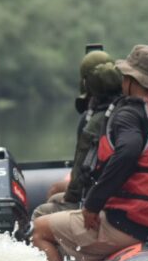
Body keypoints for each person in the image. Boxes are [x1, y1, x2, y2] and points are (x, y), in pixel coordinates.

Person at [32, 45, 148, 261]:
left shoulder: (129, 113)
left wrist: (93, 204)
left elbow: (127, 153)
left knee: (40, 229)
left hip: (127, 225)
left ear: (132, 81)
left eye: (125, 76)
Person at [31, 61, 123, 219]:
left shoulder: (95, 123)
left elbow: (81, 167)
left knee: (40, 213)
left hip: (97, 200)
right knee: (55, 198)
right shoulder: (128, 113)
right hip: (119, 196)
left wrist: (72, 197)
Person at [44, 49, 116, 200]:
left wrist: (72, 196)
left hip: (98, 191)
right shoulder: (127, 108)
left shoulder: (92, 120)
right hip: (114, 187)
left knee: (54, 193)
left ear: (86, 82)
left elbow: (78, 178)